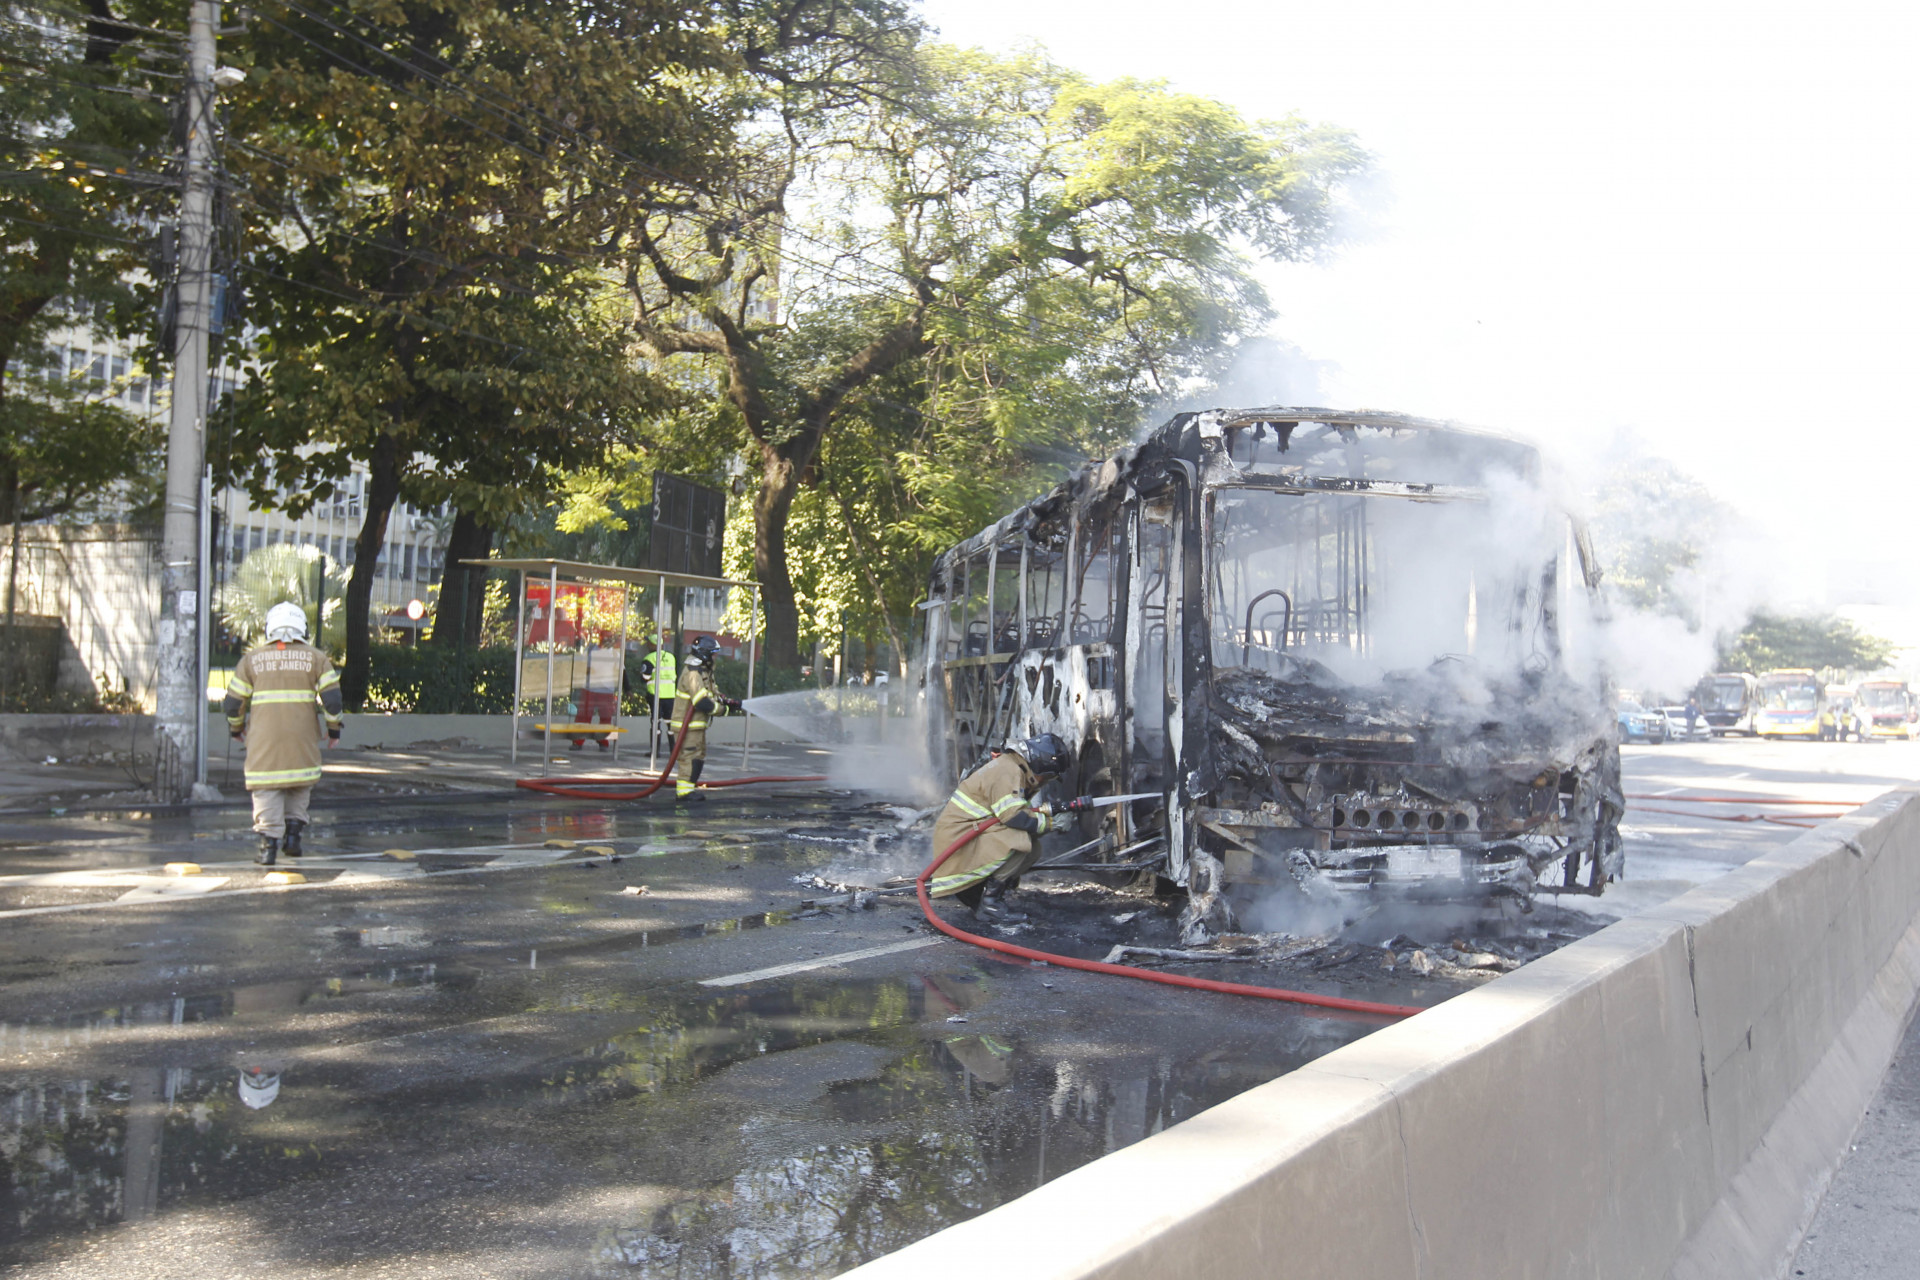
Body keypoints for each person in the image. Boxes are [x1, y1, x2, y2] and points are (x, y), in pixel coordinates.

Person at [223, 601, 343, 866]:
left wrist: (236, 728)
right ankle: (293, 838)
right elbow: (333, 701)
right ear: (303, 627)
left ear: (270, 628)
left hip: (264, 740)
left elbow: (233, 704)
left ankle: (268, 846)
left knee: (267, 787)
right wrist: (334, 729)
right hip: (302, 739)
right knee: (299, 784)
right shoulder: (316, 658)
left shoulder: (251, 660)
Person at [926, 733, 1071, 914]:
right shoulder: (1008, 771)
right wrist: (1051, 824)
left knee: (1033, 849)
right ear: (1040, 765)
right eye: (1048, 776)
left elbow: (1019, 816)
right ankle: (990, 904)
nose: (1045, 781)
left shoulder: (1015, 768)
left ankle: (991, 891)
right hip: (958, 844)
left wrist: (1048, 820)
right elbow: (1013, 817)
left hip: (967, 838)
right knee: (1018, 841)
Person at [673, 635, 740, 801]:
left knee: (698, 757)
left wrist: (728, 702)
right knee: (689, 758)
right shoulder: (693, 673)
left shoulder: (703, 671)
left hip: (696, 726)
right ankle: (683, 793)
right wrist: (723, 710)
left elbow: (712, 694)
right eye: (713, 653)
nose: (715, 657)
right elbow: (701, 702)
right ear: (704, 654)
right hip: (686, 727)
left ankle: (689, 789)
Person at [568, 645, 621, 751]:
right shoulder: (590, 649)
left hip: (606, 689)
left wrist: (627, 689)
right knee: (584, 716)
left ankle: (603, 741)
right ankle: (578, 741)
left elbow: (621, 671)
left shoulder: (615, 653)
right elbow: (582, 665)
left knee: (606, 717)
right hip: (589, 688)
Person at [641, 640, 677, 747]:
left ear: (653, 645)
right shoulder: (671, 657)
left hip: (655, 694)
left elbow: (645, 677)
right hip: (670, 694)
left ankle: (655, 752)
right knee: (670, 723)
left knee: (656, 723)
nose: (647, 645)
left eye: (649, 643)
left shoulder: (649, 658)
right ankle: (673, 751)